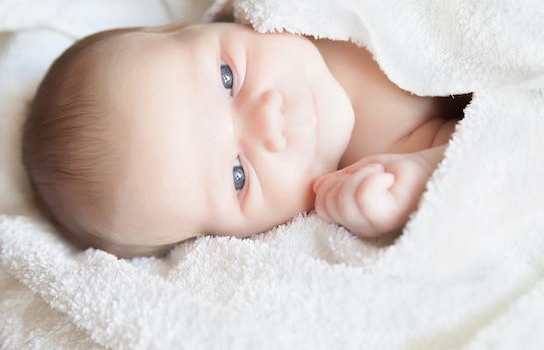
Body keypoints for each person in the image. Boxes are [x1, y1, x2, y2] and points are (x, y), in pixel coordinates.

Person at [22, 22, 471, 258]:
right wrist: (414, 180)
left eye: (226, 78)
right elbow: (490, 149)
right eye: (238, 175)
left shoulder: (303, 4)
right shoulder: (376, 163)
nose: (269, 118)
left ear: (210, 23)